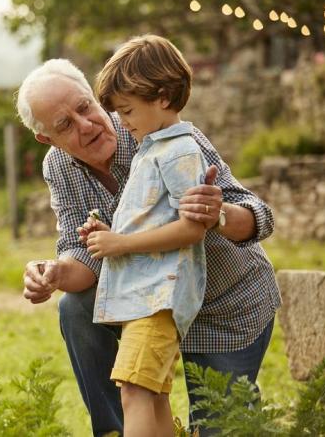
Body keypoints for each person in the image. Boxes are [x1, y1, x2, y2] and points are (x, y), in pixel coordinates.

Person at [16, 53, 280, 435]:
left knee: (223, 428)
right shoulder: (58, 166)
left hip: (223, 305)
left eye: (85, 107)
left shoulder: (160, 130)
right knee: (75, 308)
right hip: (149, 304)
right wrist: (55, 273)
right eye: (65, 125)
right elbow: (83, 255)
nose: (86, 125)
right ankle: (116, 431)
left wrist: (217, 213)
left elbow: (258, 214)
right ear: (46, 138)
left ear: (93, 94)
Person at [80, 34, 208, 437]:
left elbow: (192, 227)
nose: (123, 121)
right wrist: (110, 234)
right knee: (150, 396)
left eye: (129, 110)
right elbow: (154, 221)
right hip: (144, 297)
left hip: (159, 298)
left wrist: (120, 244)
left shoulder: (180, 151)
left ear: (164, 97)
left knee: (134, 391)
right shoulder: (150, 150)